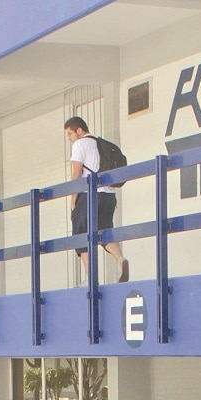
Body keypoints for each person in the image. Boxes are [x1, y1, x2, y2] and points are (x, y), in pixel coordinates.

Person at [63, 116, 128, 282]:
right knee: (105, 231)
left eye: (70, 134)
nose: (69, 138)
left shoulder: (80, 144)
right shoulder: (102, 143)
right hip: (109, 195)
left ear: (79, 130)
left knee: (81, 235)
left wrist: (73, 198)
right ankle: (120, 259)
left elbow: (77, 173)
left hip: (88, 196)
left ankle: (91, 278)